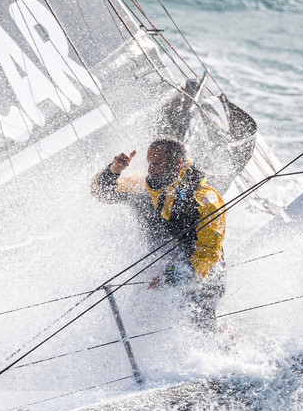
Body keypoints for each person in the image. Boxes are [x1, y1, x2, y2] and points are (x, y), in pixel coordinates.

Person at [91, 138, 226, 326]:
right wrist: (114, 171)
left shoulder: (206, 200)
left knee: (196, 327)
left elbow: (208, 255)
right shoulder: (142, 186)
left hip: (198, 281)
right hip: (159, 274)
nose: (150, 169)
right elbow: (102, 193)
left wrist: (169, 277)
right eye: (149, 163)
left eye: (156, 164)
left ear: (177, 164)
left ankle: (220, 336)